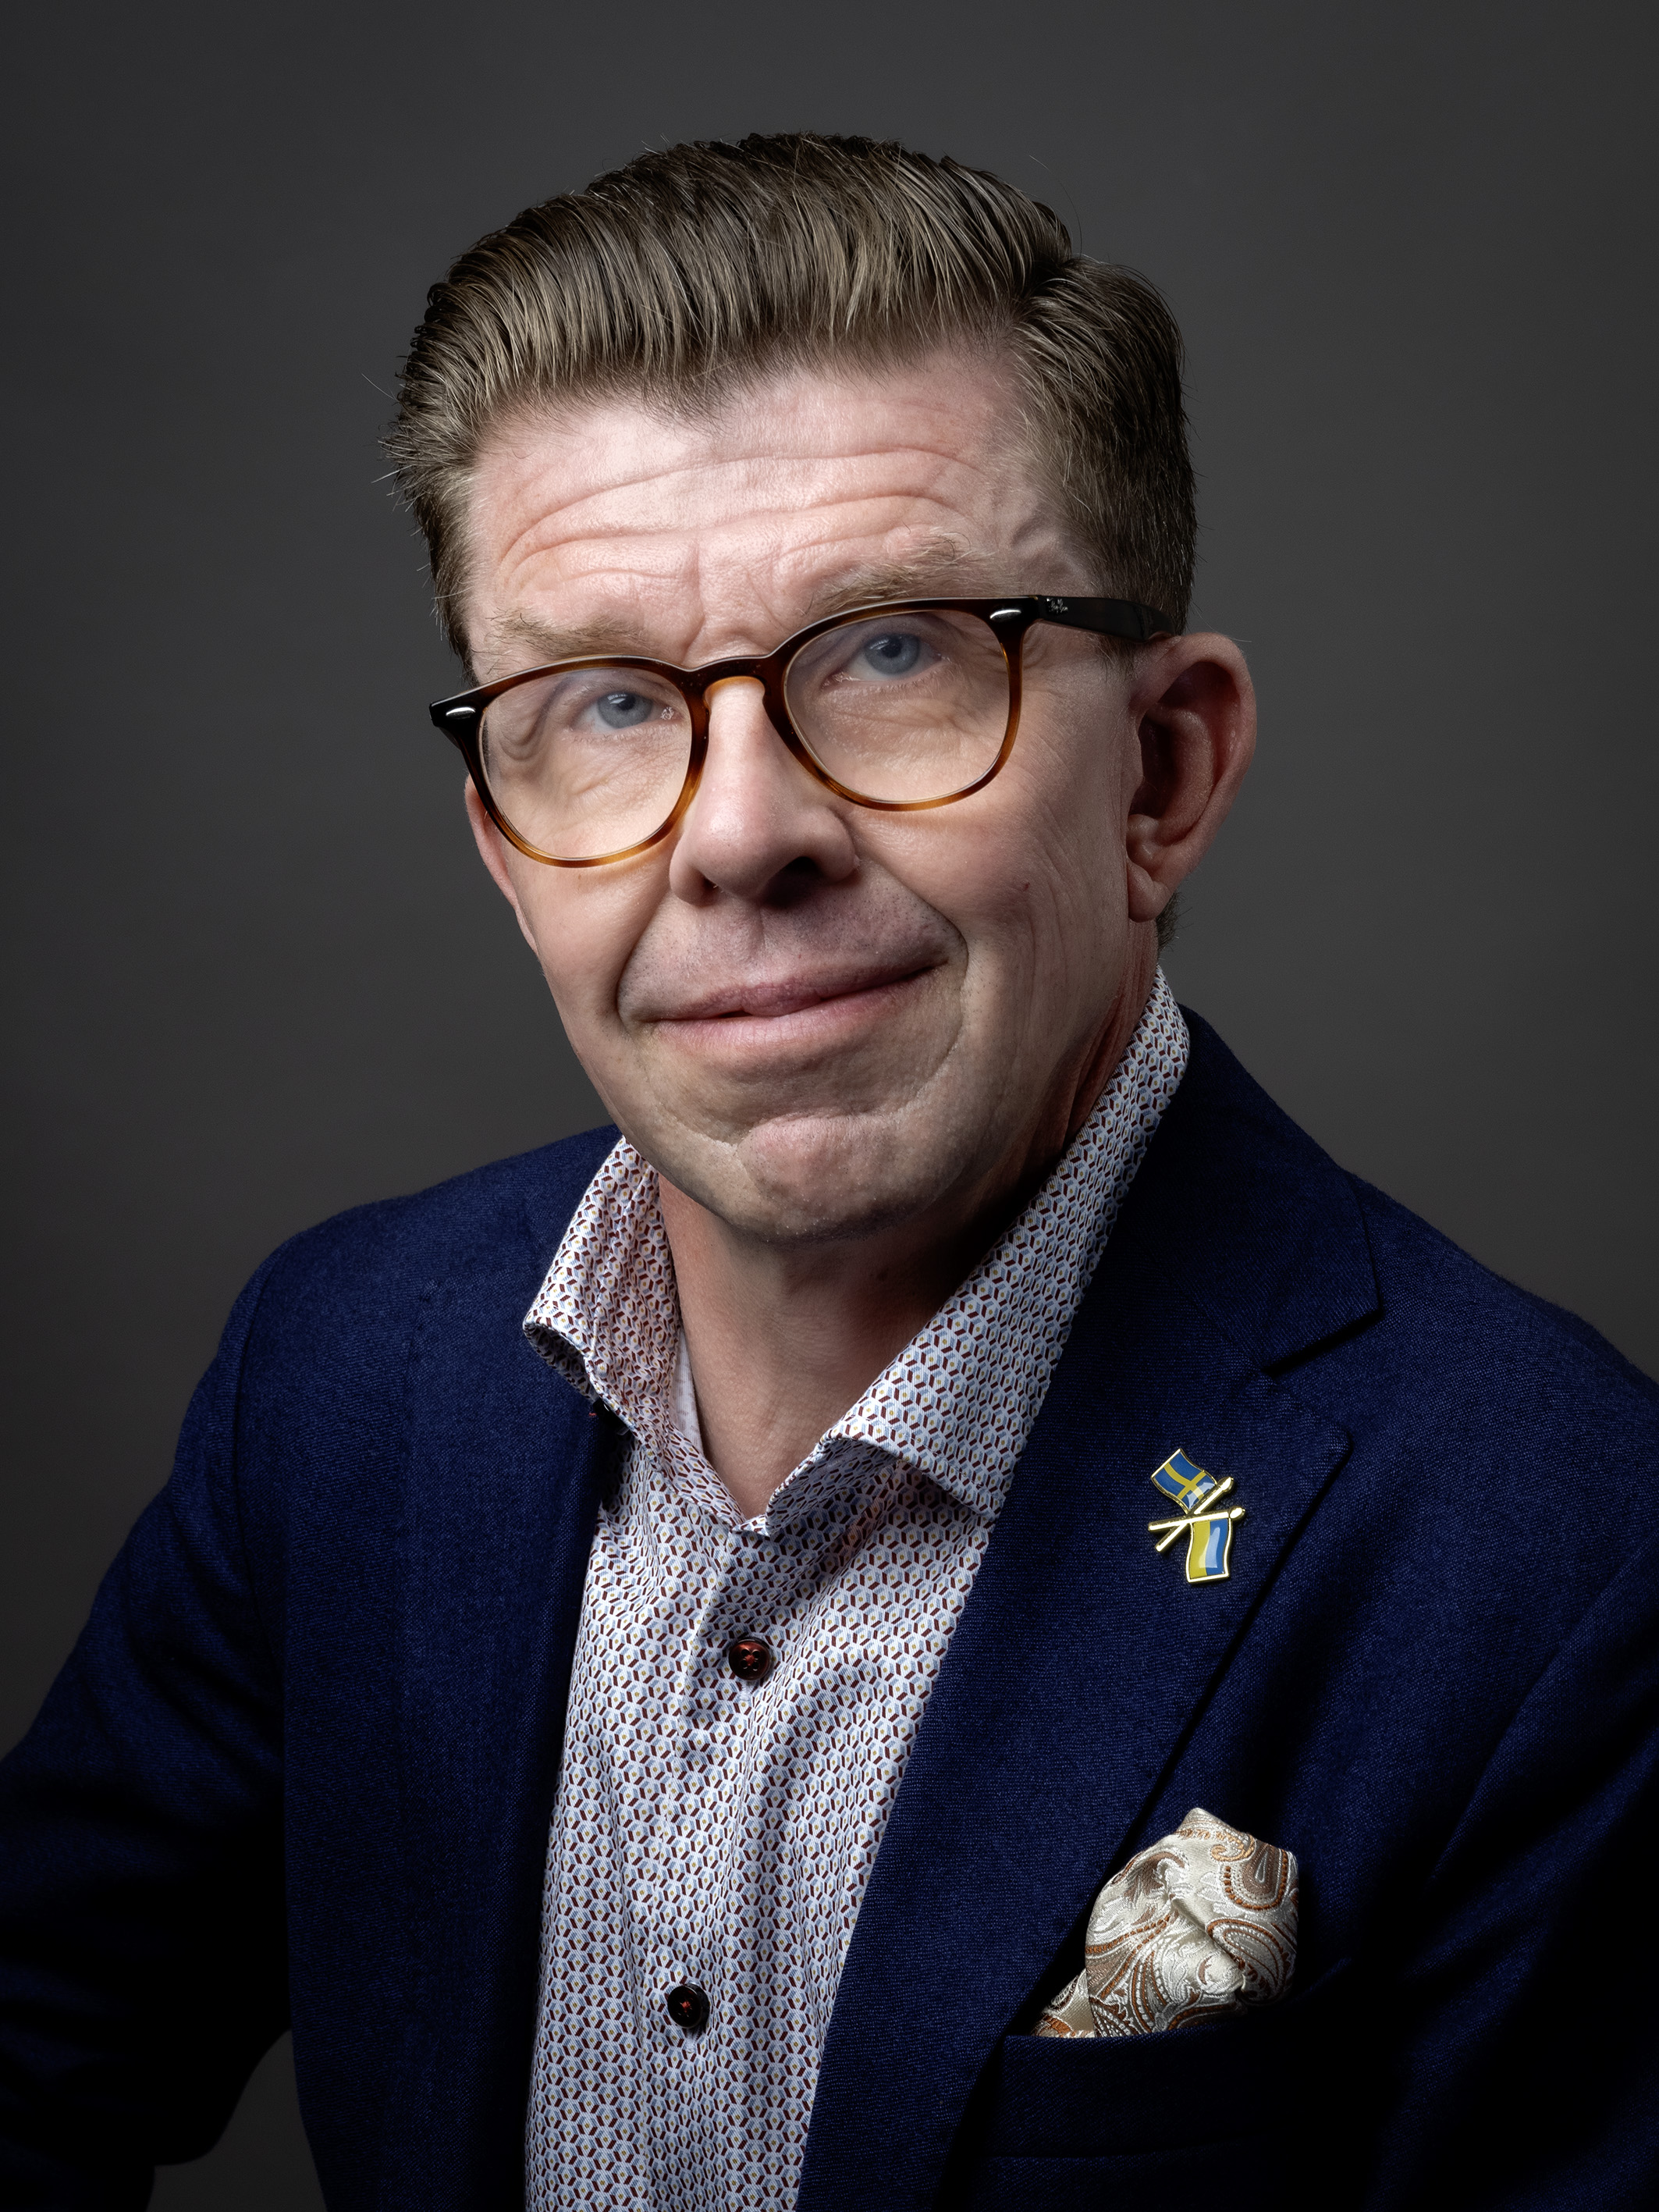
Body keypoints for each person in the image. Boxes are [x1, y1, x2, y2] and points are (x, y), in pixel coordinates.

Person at [2, 131, 1655, 2212]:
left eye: (892, 653)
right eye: (607, 702)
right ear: (505, 847)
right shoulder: (337, 1377)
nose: (736, 835)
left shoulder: (1563, 1557)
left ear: (1163, 773)